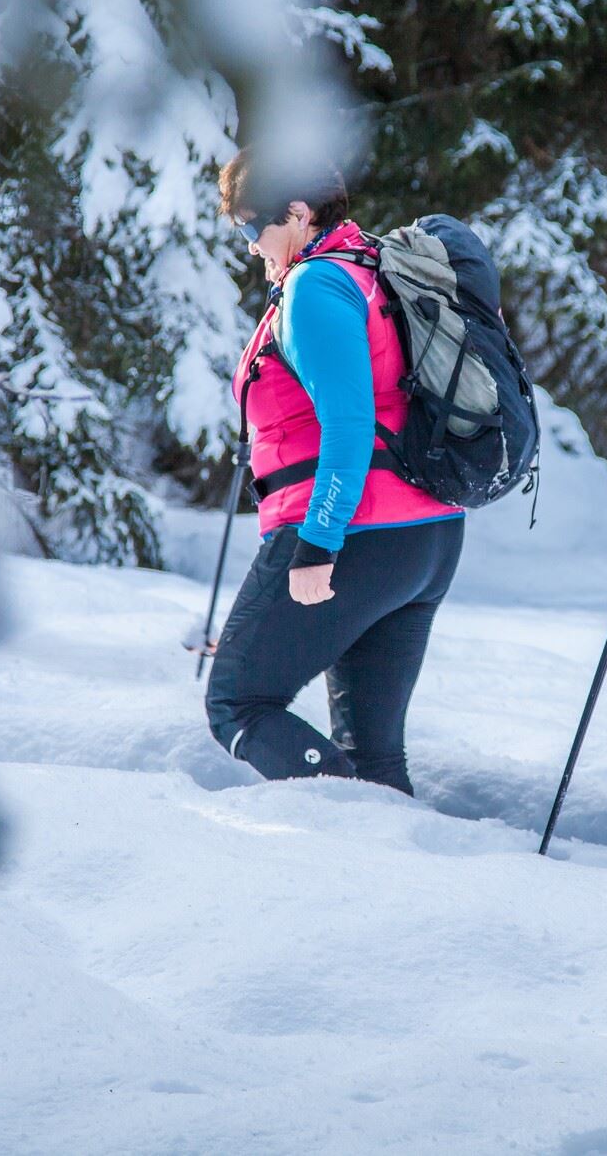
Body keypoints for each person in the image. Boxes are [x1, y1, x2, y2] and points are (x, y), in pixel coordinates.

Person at [202, 150, 466, 795]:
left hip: (352, 532)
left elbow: (348, 426)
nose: (248, 245)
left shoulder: (317, 286)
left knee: (237, 703)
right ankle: (396, 872)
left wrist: (319, 544)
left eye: (248, 227)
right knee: (374, 760)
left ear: (296, 212)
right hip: (425, 536)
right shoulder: (372, 268)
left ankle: (346, 823)